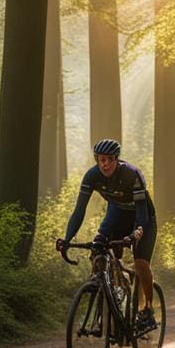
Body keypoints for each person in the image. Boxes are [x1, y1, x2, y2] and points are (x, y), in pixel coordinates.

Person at [56, 139, 158, 332]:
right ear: (97, 160)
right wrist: (67, 239)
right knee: (98, 250)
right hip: (117, 214)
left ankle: (148, 311)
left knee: (141, 263)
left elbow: (142, 211)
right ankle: (111, 295)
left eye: (109, 159)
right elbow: (79, 211)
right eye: (101, 160)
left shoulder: (131, 174)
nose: (105, 164)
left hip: (142, 217)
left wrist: (137, 232)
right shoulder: (92, 176)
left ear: (116, 159)